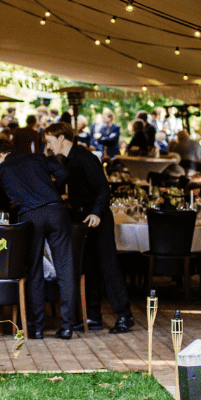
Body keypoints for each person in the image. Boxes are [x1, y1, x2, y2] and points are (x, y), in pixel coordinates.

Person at [0, 138, 76, 339]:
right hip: (56, 211)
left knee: (34, 270)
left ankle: (36, 328)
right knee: (65, 269)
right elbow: (63, 174)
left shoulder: (1, 170)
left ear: (0, 154)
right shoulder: (37, 158)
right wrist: (51, 192)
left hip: (31, 217)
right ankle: (66, 327)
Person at [43, 123, 135, 334]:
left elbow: (103, 189)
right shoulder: (65, 160)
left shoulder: (85, 157)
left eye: (49, 141)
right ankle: (93, 316)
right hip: (82, 219)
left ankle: (125, 315)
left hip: (97, 218)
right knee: (89, 268)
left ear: (61, 138)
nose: (48, 145)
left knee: (108, 266)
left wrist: (95, 213)